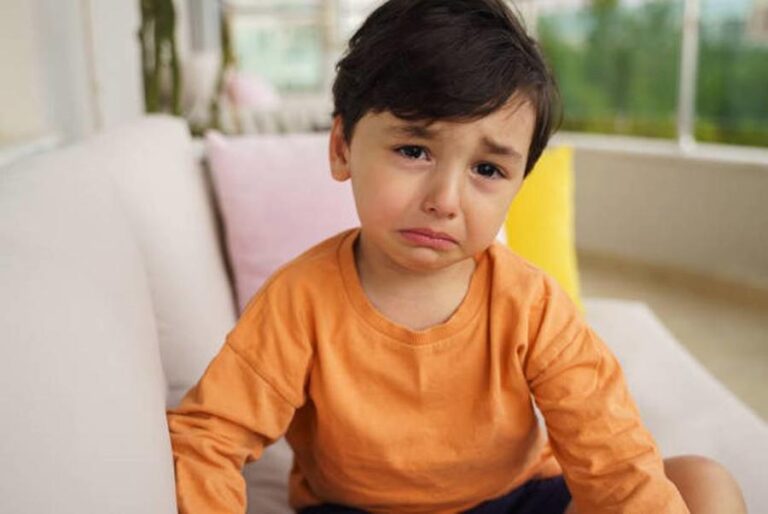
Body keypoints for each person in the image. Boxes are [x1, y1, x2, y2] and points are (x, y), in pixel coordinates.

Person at [167, 1, 747, 512]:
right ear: (342, 147)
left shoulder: (533, 305)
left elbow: (614, 459)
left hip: (520, 499)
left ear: (518, 183)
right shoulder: (298, 301)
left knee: (701, 483)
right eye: (414, 149)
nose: (444, 200)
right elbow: (208, 437)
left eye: (487, 170)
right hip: (358, 510)